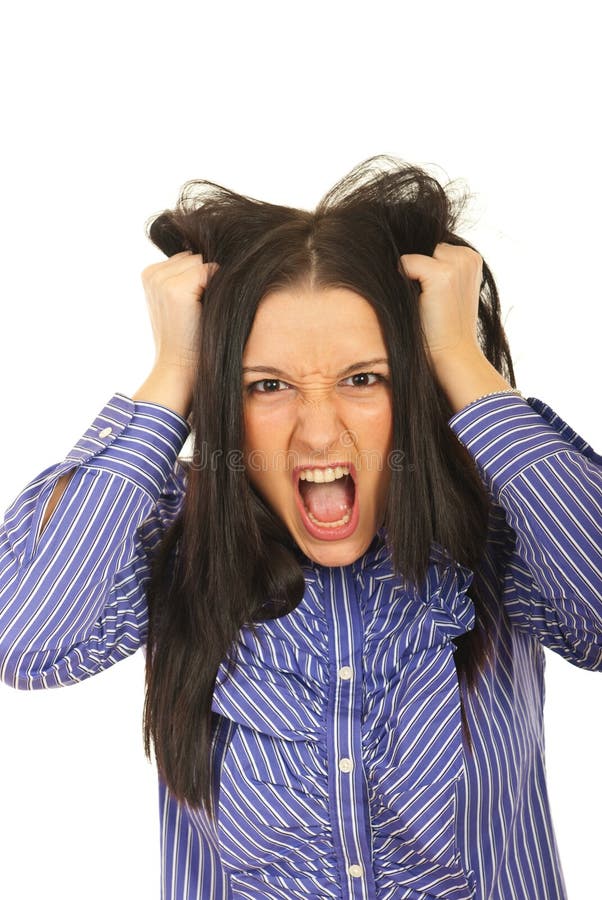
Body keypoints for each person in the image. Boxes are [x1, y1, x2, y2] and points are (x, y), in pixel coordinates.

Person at [0, 155, 600, 900]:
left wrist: (457, 355)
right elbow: (24, 643)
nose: (319, 435)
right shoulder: (168, 532)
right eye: (268, 386)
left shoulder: (494, 517)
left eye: (363, 379)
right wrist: (176, 369)